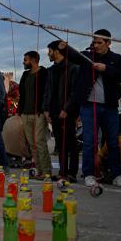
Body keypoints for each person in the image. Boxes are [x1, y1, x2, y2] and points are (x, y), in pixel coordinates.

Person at [61, 29, 121, 187]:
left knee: (112, 141)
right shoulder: (87, 57)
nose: (96, 45)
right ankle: (89, 173)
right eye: (95, 42)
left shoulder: (116, 58)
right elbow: (74, 56)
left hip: (110, 106)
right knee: (90, 141)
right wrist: (64, 48)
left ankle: (117, 174)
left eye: (100, 42)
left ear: (108, 43)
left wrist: (105, 69)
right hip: (89, 106)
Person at [44, 40, 79, 182]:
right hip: (53, 111)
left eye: (50, 51)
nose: (48, 54)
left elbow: (75, 91)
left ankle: (72, 173)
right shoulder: (51, 70)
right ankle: (62, 172)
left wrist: (67, 109)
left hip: (68, 111)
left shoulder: (72, 68)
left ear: (57, 51)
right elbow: (47, 90)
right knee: (60, 142)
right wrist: (46, 109)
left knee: (71, 142)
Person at [17, 51, 51, 178]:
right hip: (25, 113)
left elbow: (48, 92)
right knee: (32, 144)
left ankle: (46, 171)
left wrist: (45, 109)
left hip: (39, 113)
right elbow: (22, 93)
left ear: (33, 60)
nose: (23, 62)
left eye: (25, 60)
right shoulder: (25, 75)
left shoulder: (44, 73)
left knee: (40, 142)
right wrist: (19, 112)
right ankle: (38, 169)